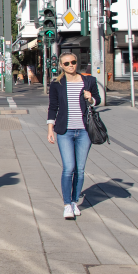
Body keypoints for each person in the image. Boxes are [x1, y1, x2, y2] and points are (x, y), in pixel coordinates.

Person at [47, 53, 103, 220]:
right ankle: (66, 204)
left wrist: (90, 98)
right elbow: (53, 107)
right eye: (67, 63)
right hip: (65, 131)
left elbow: (98, 100)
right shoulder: (57, 84)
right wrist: (50, 129)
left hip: (84, 130)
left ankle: (74, 202)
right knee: (68, 168)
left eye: (73, 62)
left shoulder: (89, 81)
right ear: (62, 66)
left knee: (80, 169)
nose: (71, 65)